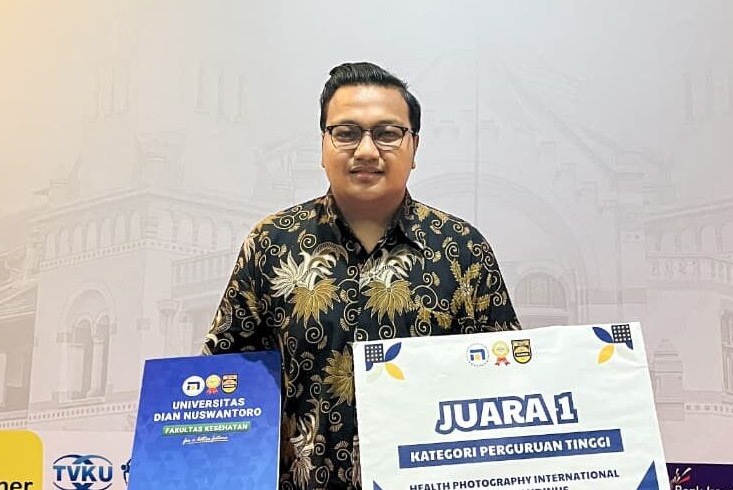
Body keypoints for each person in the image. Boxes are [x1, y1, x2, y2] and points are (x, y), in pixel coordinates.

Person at [203, 61, 520, 490]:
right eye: (347, 133)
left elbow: (508, 382)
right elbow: (225, 380)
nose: (367, 150)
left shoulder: (463, 250)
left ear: (414, 146)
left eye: (387, 133)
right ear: (323, 145)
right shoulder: (271, 244)